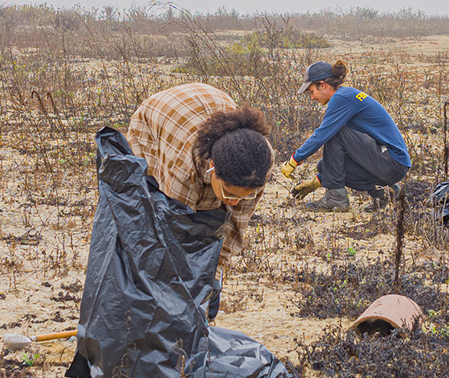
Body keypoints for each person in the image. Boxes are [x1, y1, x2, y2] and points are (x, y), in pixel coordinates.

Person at [123, 81, 274, 312]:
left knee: (212, 220)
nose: (234, 202)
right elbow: (174, 231)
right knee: (154, 208)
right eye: (229, 194)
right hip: (157, 120)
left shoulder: (259, 162)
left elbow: (235, 226)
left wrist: (214, 273)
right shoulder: (184, 167)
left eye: (243, 197)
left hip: (207, 105)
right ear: (212, 167)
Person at [281, 59, 411, 212]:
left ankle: (336, 199)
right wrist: (318, 181)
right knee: (323, 167)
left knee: (334, 132)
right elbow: (340, 161)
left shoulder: (342, 97)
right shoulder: (346, 95)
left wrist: (294, 160)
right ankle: (383, 193)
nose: (312, 97)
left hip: (391, 162)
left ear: (322, 85)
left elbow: (322, 134)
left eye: (311, 91)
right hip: (391, 166)